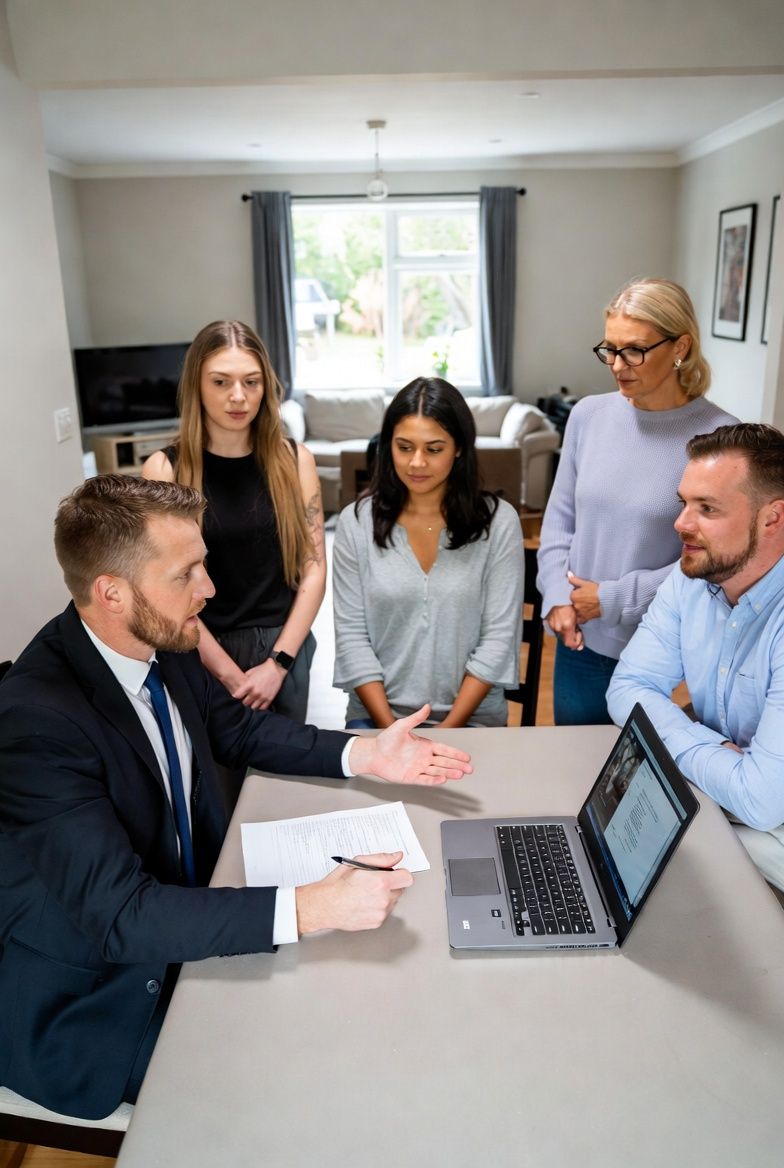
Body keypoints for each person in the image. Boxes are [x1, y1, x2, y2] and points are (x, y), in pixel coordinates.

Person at [0, 475, 472, 1120]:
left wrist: (362, 753)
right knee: (300, 1088)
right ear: (111, 592)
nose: (209, 590)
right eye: (186, 574)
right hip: (101, 994)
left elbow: (235, 727)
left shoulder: (164, 637)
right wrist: (311, 907)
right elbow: (122, 919)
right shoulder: (36, 721)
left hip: (186, 909)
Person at [537, 277, 739, 725]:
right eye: (609, 348)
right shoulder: (588, 415)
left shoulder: (720, 438)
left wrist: (612, 598)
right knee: (575, 773)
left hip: (663, 647)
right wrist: (557, 598)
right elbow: (559, 521)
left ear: (680, 346)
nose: (617, 364)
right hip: (579, 639)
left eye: (635, 350)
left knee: (643, 783)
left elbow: (717, 557)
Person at [607, 424, 784, 893]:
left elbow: (762, 802)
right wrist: (706, 746)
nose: (681, 523)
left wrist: (672, 743)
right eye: (685, 502)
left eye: (706, 509)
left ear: (772, 518)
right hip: (721, 800)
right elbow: (627, 688)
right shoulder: (691, 576)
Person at [142, 320, 324, 724]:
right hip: (200, 648)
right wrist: (227, 672)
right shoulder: (164, 470)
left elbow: (314, 568)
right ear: (197, 386)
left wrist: (277, 663)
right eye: (221, 382)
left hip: (285, 647)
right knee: (217, 784)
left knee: (284, 778)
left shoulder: (295, 461)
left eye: (252, 382)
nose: (238, 397)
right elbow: (165, 587)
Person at [333, 377, 523, 729]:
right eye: (404, 447)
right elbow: (351, 638)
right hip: (376, 719)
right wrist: (393, 731)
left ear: (460, 448)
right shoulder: (356, 522)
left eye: (434, 449)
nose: (416, 463)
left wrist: (448, 734)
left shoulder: (500, 522)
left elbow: (498, 638)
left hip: (472, 721)